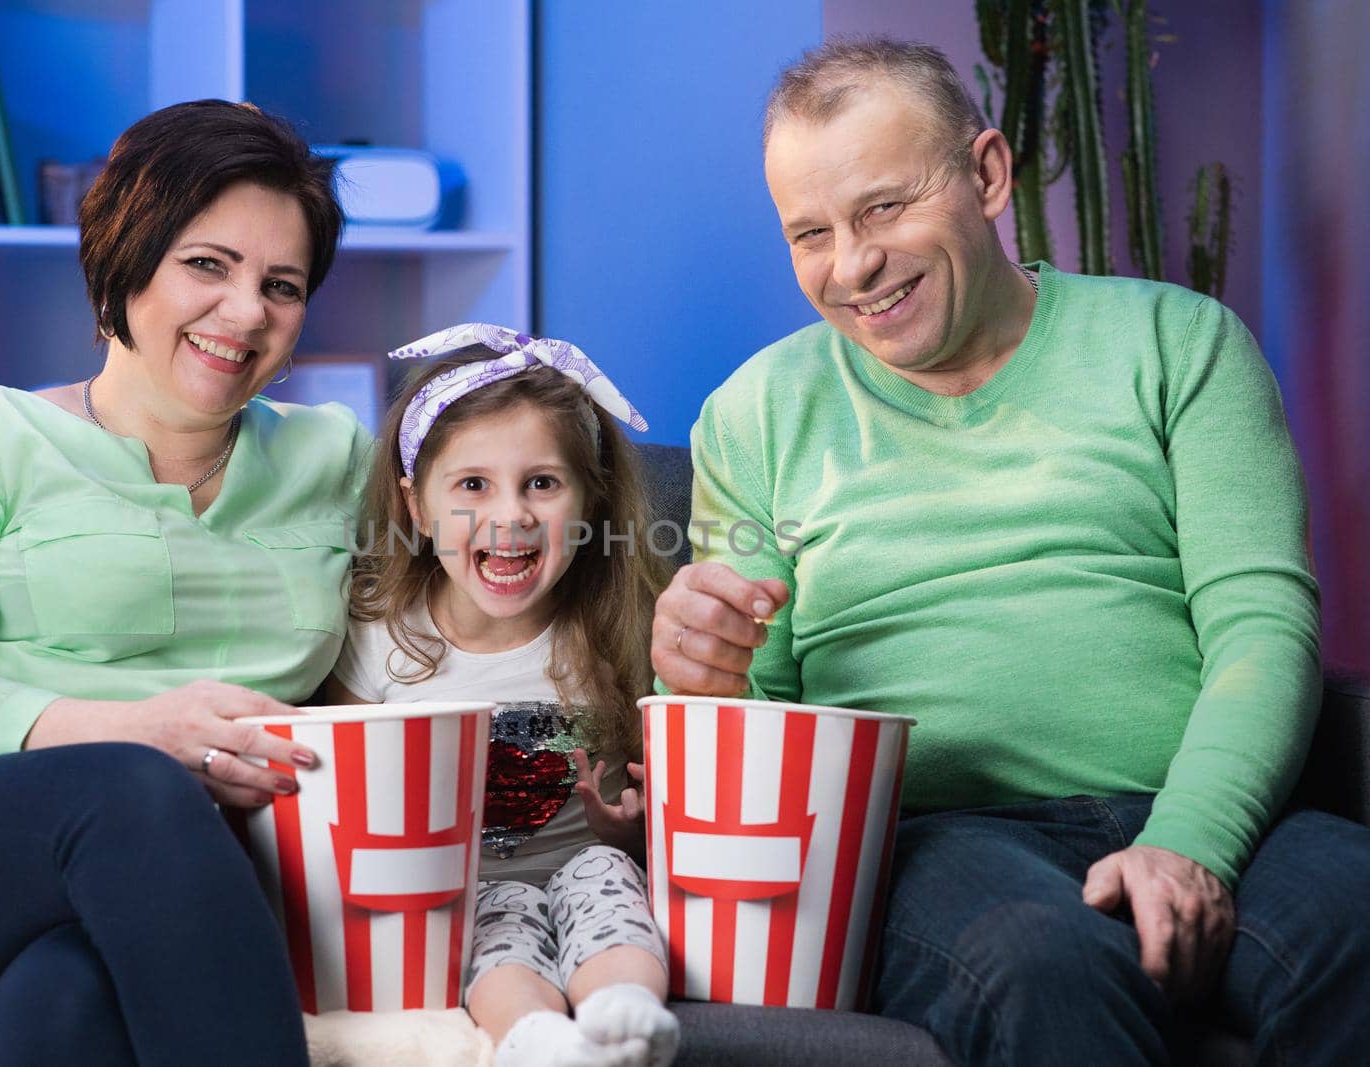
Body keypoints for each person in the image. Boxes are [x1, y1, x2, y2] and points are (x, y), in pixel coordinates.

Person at [650, 36, 1370, 1065]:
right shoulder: (753, 414)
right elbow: (755, 725)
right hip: (934, 839)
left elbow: (1262, 620)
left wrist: (1189, 840)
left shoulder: (1181, 343)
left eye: (883, 207)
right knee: (1044, 962)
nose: (852, 265)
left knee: (1355, 917)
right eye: (810, 232)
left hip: (1194, 795)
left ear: (986, 174)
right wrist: (701, 676)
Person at [0, 99, 367, 1065]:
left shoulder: (336, 455)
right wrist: (145, 730)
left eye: (282, 284)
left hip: (170, 882)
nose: (246, 312)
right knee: (137, 787)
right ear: (127, 255)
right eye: (206, 264)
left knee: (64, 1003)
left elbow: (474, 589)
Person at [322, 324, 678, 1067]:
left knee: (608, 885)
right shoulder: (382, 638)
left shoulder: (620, 626)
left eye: (541, 483)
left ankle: (627, 1012)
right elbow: (342, 798)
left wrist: (631, 827)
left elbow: (655, 804)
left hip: (594, 864)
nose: (511, 515)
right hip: (464, 890)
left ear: (589, 502)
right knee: (493, 927)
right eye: (473, 484)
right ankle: (535, 1036)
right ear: (417, 506)